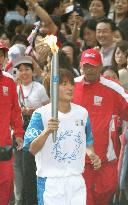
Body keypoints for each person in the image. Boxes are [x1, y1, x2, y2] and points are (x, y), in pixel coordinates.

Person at [23, 68, 101, 205]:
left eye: (71, 83)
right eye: (64, 84)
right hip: (51, 182)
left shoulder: (82, 113)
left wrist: (92, 155)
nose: (70, 87)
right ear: (52, 88)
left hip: (76, 180)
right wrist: (47, 131)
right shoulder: (40, 114)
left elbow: (87, 143)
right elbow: (31, 149)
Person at [72, 48, 128, 205]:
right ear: (80, 66)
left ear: (101, 66)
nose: (89, 70)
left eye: (93, 66)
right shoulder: (71, 85)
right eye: (86, 66)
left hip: (105, 160)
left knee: (104, 196)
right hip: (78, 160)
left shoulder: (113, 88)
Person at [13, 55, 49, 205]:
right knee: (20, 168)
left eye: (27, 69)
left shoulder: (39, 88)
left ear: (32, 71)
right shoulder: (15, 88)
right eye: (20, 70)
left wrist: (34, 111)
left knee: (34, 167)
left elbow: (48, 109)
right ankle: (21, 200)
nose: (24, 73)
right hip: (19, 131)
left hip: (37, 132)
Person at [0, 42, 24, 205]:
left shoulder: (9, 81)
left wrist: (19, 134)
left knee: (6, 184)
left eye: (0, 55)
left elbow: (15, 112)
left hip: (4, 145)